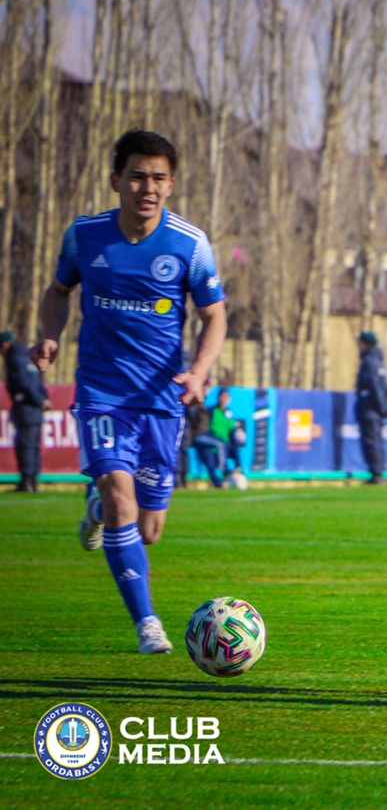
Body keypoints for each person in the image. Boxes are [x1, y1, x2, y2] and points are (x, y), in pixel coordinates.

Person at [34, 129, 227, 654]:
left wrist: (199, 372)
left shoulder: (190, 244)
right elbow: (58, 291)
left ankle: (96, 507)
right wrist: (50, 335)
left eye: (159, 178)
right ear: (116, 180)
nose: (148, 187)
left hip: (162, 400)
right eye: (138, 176)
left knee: (147, 527)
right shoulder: (85, 236)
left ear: (171, 185)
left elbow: (214, 316)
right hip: (102, 393)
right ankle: (147, 623)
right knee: (122, 500)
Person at [2, 330, 50, 492]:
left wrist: (38, 400)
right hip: (35, 408)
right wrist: (43, 398)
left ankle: (27, 482)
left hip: (26, 406)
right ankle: (33, 481)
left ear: (4, 345)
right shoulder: (26, 357)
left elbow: (24, 382)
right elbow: (36, 381)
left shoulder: (14, 358)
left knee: (25, 444)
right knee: (33, 444)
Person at [355, 331, 387, 484]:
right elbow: (385, 388)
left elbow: (374, 386)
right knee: (376, 439)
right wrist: (384, 407)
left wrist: (379, 406)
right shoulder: (379, 362)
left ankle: (376, 473)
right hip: (376, 408)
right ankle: (378, 471)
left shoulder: (369, 362)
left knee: (371, 440)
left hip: (370, 408)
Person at [192, 387, 243, 488]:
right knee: (209, 457)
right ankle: (221, 476)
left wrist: (238, 463)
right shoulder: (211, 411)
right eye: (221, 396)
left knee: (225, 446)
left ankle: (230, 476)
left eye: (226, 396)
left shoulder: (229, 414)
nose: (223, 399)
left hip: (223, 447)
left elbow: (232, 435)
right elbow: (203, 428)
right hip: (210, 444)